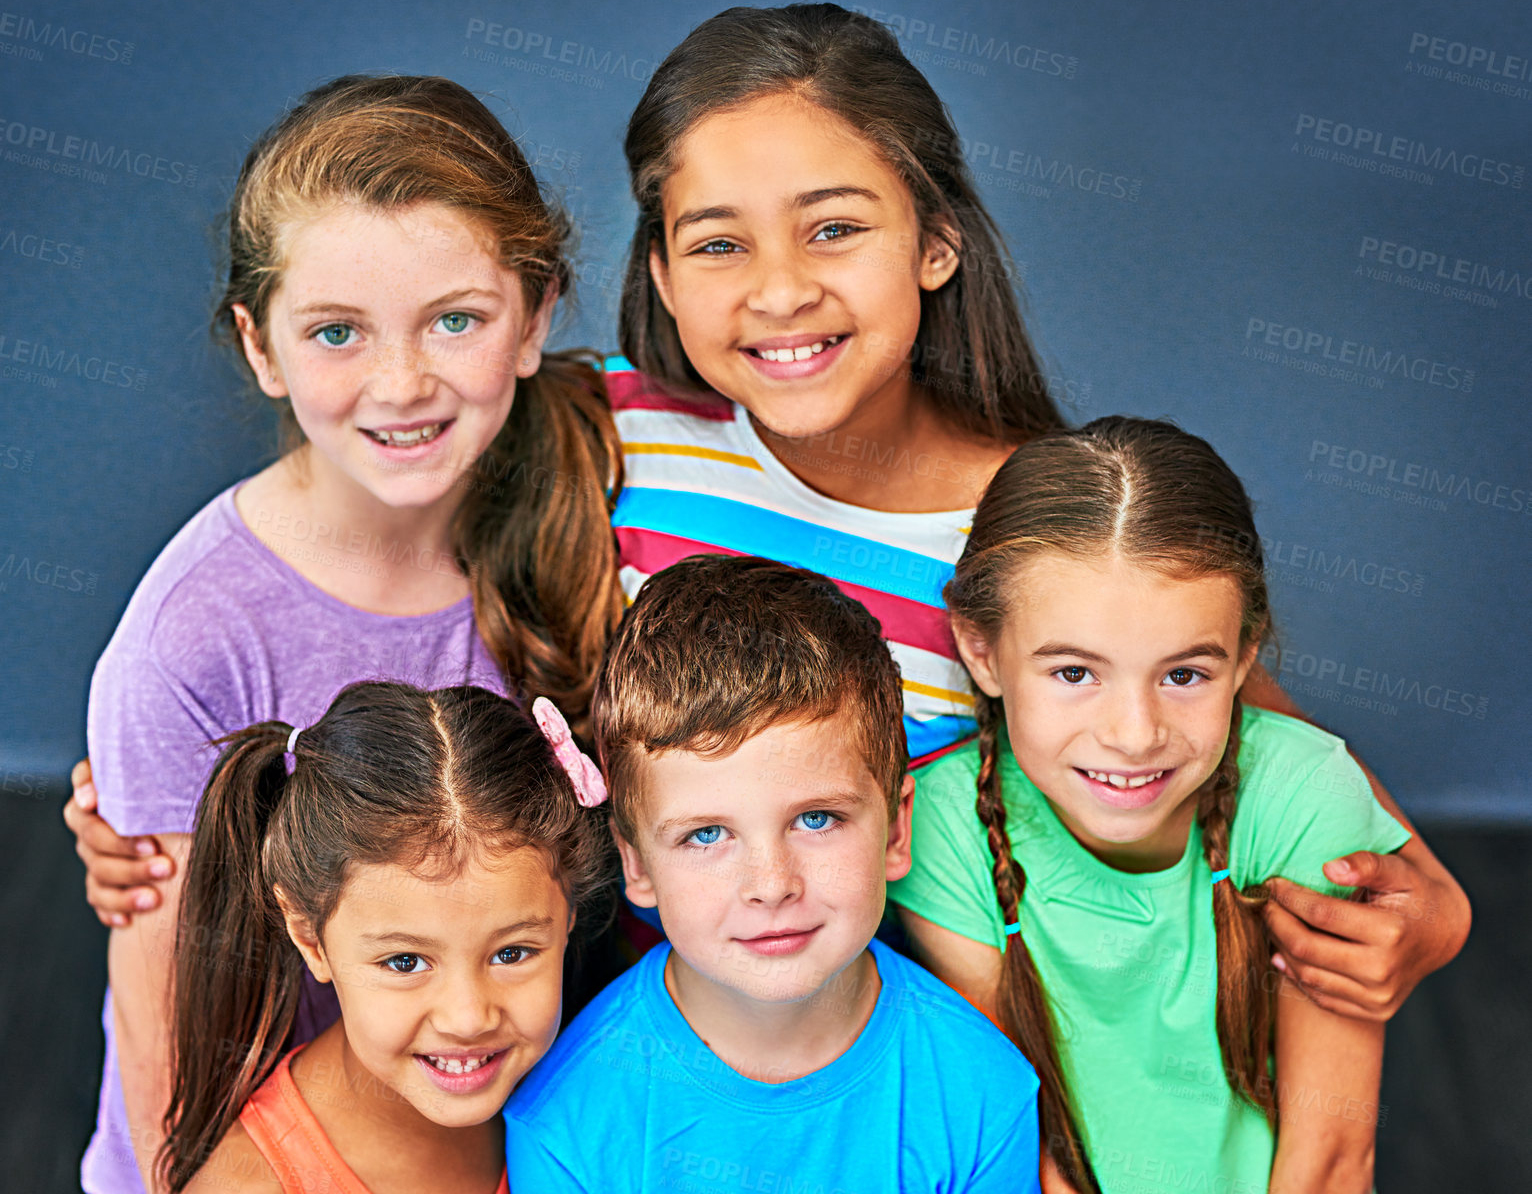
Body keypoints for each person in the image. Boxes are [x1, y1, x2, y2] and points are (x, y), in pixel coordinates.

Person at [604, 1, 1468, 1015]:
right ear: (660, 272)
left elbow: (1239, 718)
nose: (780, 290)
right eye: (716, 245)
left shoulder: (1036, 525)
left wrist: (1432, 907)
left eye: (832, 228)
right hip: (640, 1042)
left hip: (928, 1063)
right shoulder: (615, 432)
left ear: (936, 241)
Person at [70, 74, 622, 1193]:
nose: (403, 381)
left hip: (525, 1138)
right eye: (336, 332)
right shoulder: (190, 642)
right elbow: (170, 1049)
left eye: (455, 319)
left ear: (536, 316)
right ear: (261, 346)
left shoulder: (613, 481)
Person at [889, 417, 1411, 1193]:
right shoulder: (941, 826)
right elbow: (1025, 1149)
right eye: (1073, 673)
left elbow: (1331, 1155)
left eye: (1184, 675)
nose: (1134, 736)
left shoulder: (1302, 793)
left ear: (1243, 658)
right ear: (981, 651)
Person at [501, 556, 1042, 1191]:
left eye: (817, 819)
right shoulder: (566, 1117)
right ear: (635, 862)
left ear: (895, 831)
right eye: (706, 834)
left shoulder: (983, 1091)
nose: (772, 883)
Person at [159, 682, 611, 1193]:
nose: (467, 1018)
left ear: (568, 913)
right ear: (309, 937)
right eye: (404, 963)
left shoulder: (614, 1093)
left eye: (511, 953)